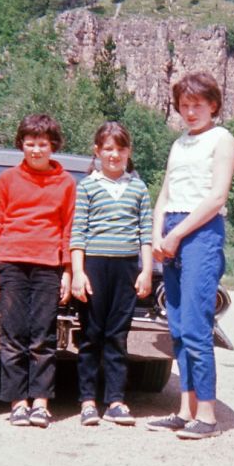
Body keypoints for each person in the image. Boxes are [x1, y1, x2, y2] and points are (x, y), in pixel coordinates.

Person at [148, 72, 234, 440]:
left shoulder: (222, 139)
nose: (190, 112)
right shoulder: (178, 144)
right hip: (170, 229)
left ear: (213, 105)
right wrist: (158, 236)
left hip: (200, 231)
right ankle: (184, 410)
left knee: (199, 327)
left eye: (197, 105)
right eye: (184, 106)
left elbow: (216, 198)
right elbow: (165, 194)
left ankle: (208, 416)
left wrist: (177, 234)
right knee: (178, 326)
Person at [0, 114, 76, 429]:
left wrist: (67, 270)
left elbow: (69, 229)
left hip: (48, 265)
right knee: (13, 335)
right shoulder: (7, 180)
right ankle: (18, 403)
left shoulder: (66, 183)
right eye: (30, 143)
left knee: (43, 335)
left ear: (53, 145)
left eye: (42, 143)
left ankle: (40, 403)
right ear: (21, 144)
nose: (36, 150)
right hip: (11, 261)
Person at [70, 122, 152, 426]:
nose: (114, 155)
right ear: (97, 151)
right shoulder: (88, 186)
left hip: (127, 268)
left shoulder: (138, 187)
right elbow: (78, 232)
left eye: (120, 149)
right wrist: (78, 272)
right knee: (91, 335)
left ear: (128, 152)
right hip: (94, 266)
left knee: (117, 336)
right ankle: (88, 401)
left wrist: (144, 271)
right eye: (107, 149)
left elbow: (145, 232)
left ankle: (116, 400)